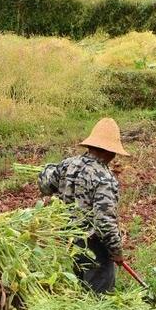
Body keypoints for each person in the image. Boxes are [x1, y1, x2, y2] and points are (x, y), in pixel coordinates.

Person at [38, 118, 129, 294]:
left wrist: (48, 169)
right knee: (98, 299)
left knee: (74, 292)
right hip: (93, 246)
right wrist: (116, 251)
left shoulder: (67, 164)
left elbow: (45, 185)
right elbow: (104, 222)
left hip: (67, 240)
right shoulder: (105, 179)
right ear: (110, 152)